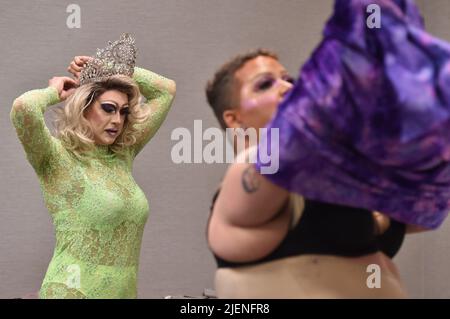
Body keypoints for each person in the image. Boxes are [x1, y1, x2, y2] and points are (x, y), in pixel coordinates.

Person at [206, 48, 411, 298]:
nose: (288, 88)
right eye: (265, 85)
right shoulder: (244, 181)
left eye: (288, 80)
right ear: (235, 120)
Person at [10, 34, 176, 298]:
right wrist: (53, 92)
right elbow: (23, 108)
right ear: (84, 107)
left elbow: (165, 91)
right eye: (108, 108)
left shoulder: (123, 154)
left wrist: (108, 68)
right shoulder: (55, 158)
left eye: (123, 111)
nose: (117, 120)